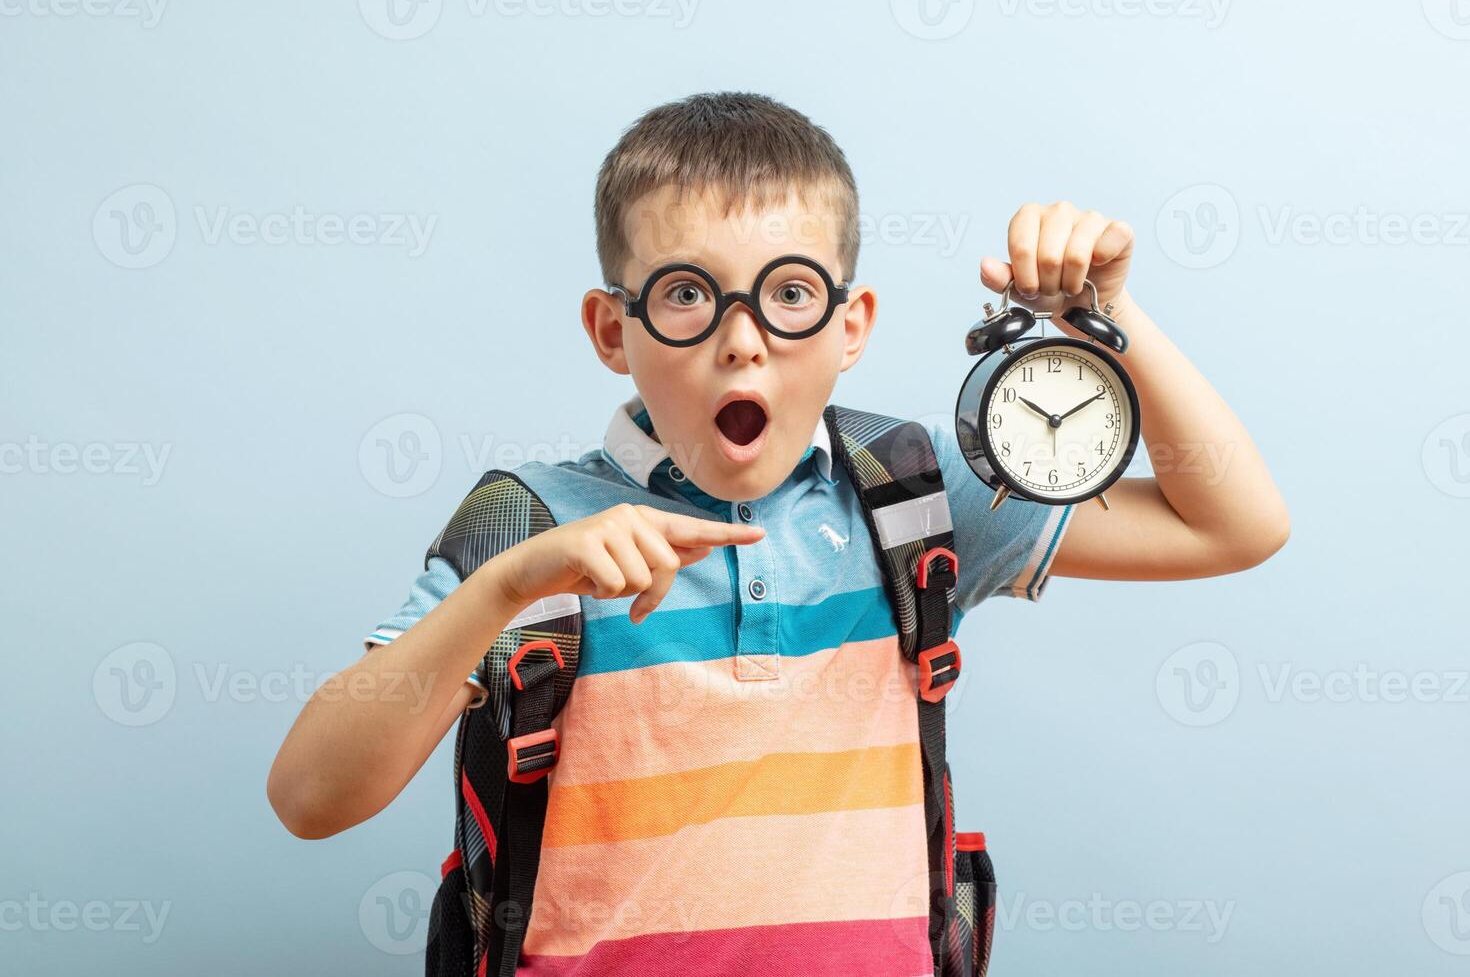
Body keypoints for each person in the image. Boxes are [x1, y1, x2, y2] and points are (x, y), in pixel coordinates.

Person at [268, 91, 1288, 974]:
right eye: (686, 296)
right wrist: (500, 589)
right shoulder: (525, 526)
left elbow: (1236, 523)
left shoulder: (911, 495)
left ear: (853, 325)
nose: (743, 339)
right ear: (611, 330)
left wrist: (1109, 317)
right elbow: (312, 795)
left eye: (790, 293)